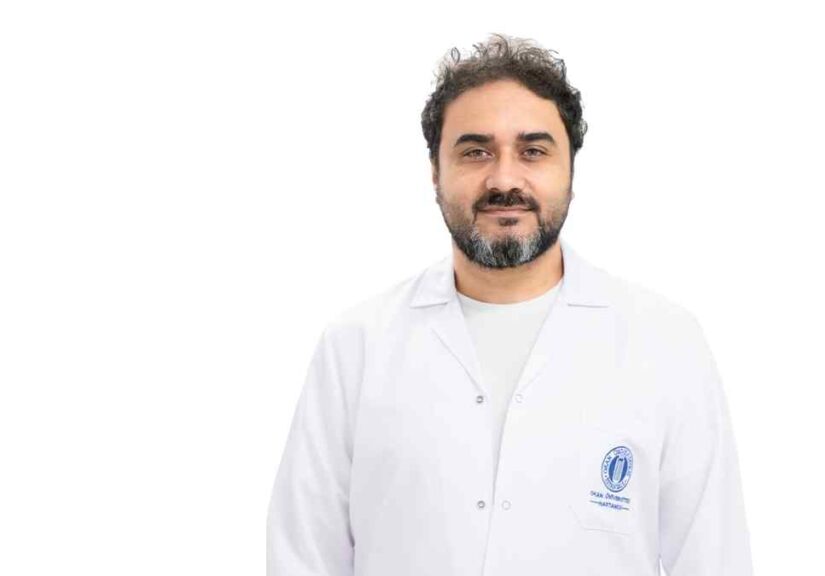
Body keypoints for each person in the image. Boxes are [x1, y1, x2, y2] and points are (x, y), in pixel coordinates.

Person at [267, 32, 754, 576]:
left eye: (533, 151)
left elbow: (714, 559)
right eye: (475, 152)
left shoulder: (664, 344)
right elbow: (302, 558)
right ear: (435, 173)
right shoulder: (356, 347)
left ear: (570, 172)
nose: (504, 179)